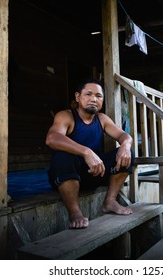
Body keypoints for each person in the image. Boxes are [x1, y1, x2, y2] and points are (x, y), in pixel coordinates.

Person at [46, 78, 134, 229]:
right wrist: (86, 152)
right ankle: (75, 212)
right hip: (69, 175)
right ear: (78, 97)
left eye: (98, 96)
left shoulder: (102, 119)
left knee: (127, 154)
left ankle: (110, 201)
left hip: (95, 173)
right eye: (88, 94)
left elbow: (123, 135)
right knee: (62, 156)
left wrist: (125, 145)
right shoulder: (66, 116)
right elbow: (52, 138)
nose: (93, 99)